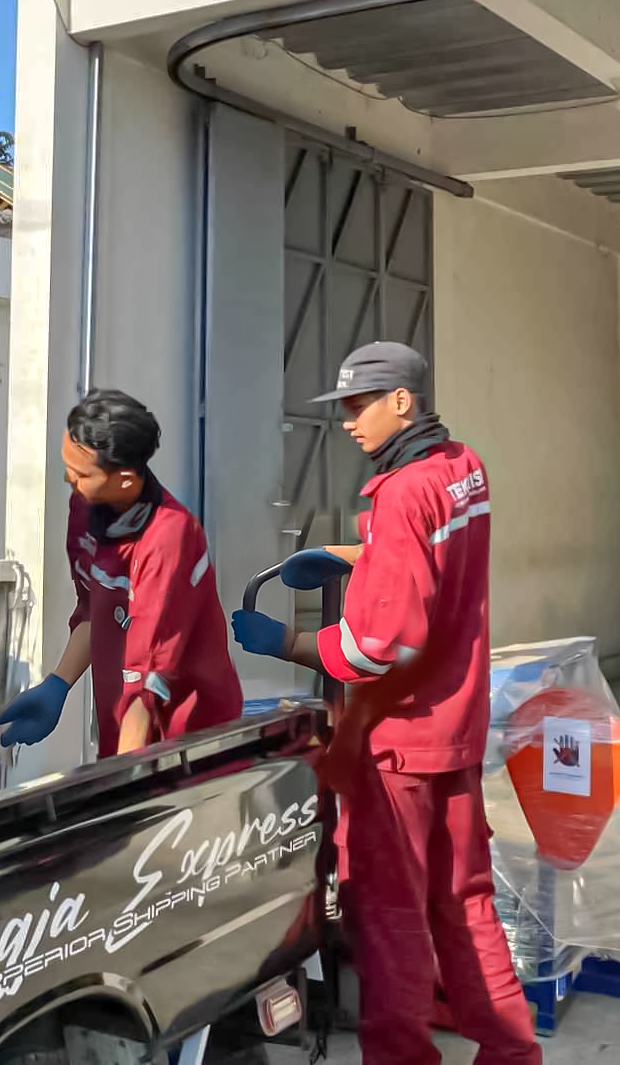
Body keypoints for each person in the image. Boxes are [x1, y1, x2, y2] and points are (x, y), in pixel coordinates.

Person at [230, 342, 540, 1064]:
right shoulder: (463, 470)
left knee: (390, 914)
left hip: (399, 742)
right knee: (466, 903)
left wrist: (288, 644)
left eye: (357, 404)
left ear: (402, 400)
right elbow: (433, 560)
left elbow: (382, 646)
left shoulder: (401, 492)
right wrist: (347, 555)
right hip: (456, 728)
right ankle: (513, 1052)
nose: (346, 421)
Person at [0, 389, 243, 757]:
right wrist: (58, 684)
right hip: (123, 724)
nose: (69, 479)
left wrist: (127, 780)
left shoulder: (170, 537)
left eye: (81, 473)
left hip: (186, 738)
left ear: (125, 480)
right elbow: (94, 610)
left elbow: (150, 680)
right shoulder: (85, 509)